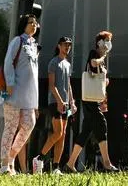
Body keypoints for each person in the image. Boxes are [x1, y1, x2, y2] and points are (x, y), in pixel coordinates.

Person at [65, 30, 117, 173]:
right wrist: (103, 56)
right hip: (90, 101)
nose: (108, 44)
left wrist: (105, 82)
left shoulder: (101, 58)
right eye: (106, 40)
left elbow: (97, 75)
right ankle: (107, 163)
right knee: (102, 124)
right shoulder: (94, 54)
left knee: (85, 132)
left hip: (94, 99)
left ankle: (70, 164)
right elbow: (93, 64)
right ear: (100, 43)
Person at [0, 13, 41, 174]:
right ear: (23, 25)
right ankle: (4, 165)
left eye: (35, 23)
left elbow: (34, 76)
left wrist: (35, 103)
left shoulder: (35, 45)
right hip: (14, 92)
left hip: (28, 97)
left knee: (29, 124)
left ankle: (11, 157)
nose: (34, 25)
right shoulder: (18, 40)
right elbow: (8, 61)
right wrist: (10, 83)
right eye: (31, 22)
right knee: (10, 127)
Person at [35, 36, 77, 173]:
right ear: (59, 46)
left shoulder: (68, 64)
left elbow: (68, 85)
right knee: (57, 132)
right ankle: (40, 158)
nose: (67, 47)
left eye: (69, 45)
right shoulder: (53, 62)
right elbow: (52, 85)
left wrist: (72, 102)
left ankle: (56, 166)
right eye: (65, 44)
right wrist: (59, 101)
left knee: (63, 134)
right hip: (55, 102)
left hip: (66, 104)